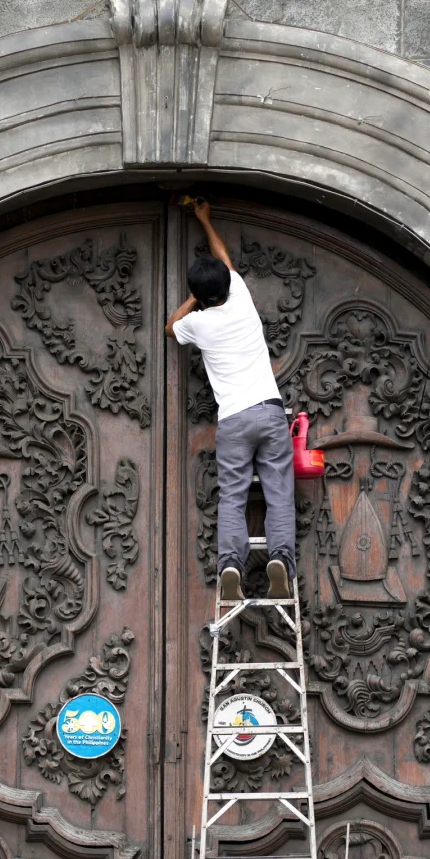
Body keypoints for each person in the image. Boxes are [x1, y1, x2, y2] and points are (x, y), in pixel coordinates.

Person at [165, 198, 295, 603]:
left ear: (202, 297)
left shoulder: (198, 324)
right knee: (278, 492)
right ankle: (280, 560)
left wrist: (192, 300)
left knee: (234, 497)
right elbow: (226, 262)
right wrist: (206, 218)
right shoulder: (240, 297)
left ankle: (231, 566)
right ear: (227, 285)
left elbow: (170, 328)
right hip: (270, 413)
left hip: (235, 421)